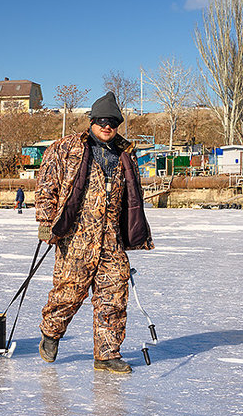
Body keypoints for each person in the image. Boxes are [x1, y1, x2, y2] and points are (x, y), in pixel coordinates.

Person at [34, 91, 153, 374]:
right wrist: (46, 221)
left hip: (111, 239)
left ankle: (107, 354)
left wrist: (135, 231)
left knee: (114, 296)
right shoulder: (66, 148)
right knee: (68, 293)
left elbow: (133, 196)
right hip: (76, 236)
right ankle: (51, 333)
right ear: (91, 121)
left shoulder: (125, 154)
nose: (107, 125)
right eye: (101, 120)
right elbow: (46, 185)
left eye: (112, 121)